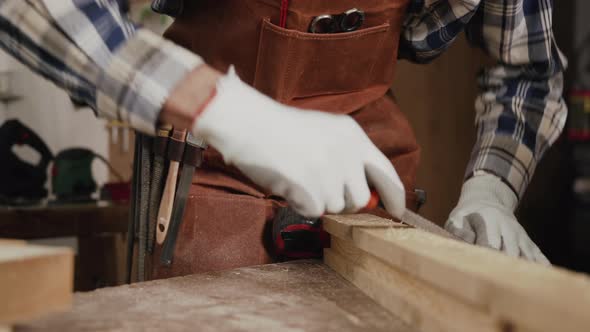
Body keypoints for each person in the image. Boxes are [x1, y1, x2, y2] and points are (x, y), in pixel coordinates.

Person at [0, 0, 564, 275]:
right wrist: (230, 112)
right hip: (208, 161)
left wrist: (493, 185)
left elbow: (526, 69)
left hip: (360, 168)